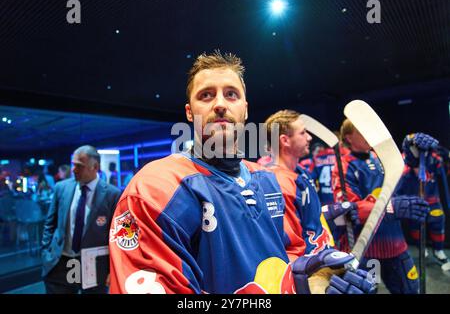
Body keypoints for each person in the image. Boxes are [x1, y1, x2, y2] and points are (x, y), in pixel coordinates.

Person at [109, 51, 375, 294]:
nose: (220, 104)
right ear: (190, 113)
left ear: (245, 109)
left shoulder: (267, 180)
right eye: (206, 95)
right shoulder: (154, 188)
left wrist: (310, 279)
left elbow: (290, 254)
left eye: (231, 94)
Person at [332, 119, 430, 294]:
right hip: (365, 250)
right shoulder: (344, 166)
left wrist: (414, 156)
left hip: (396, 244)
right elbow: (349, 210)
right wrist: (390, 207)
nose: (368, 135)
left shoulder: (381, 159)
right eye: (362, 131)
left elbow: (405, 184)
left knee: (410, 290)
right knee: (368, 291)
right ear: (349, 137)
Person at [263, 110, 359, 259]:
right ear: (285, 140)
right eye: (302, 133)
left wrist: (333, 215)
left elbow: (307, 222)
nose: (309, 137)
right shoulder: (277, 183)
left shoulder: (301, 172)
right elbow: (289, 245)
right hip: (309, 270)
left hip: (322, 257)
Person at [41, 145, 121, 294]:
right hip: (60, 262)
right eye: (73, 164)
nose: (74, 169)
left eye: (79, 166)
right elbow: (49, 224)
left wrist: (113, 269)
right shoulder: (61, 188)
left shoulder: (112, 194)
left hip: (93, 265)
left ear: (95, 167)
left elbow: (117, 237)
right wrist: (46, 253)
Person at [397, 133, 450, 267]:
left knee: (438, 221)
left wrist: (447, 201)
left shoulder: (434, 157)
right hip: (413, 197)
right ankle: (422, 248)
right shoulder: (404, 159)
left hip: (432, 197)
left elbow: (443, 178)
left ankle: (439, 250)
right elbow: (400, 182)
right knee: (415, 224)